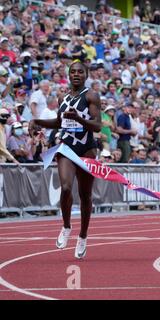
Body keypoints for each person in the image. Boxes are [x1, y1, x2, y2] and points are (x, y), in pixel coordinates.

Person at [29, 61, 102, 259]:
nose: (76, 74)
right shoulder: (64, 97)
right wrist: (38, 122)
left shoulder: (91, 96)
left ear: (86, 75)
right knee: (66, 187)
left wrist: (79, 119)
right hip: (66, 148)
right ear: (68, 75)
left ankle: (83, 236)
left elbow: (97, 126)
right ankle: (66, 226)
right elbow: (59, 122)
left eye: (80, 72)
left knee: (85, 195)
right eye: (73, 72)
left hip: (86, 149)